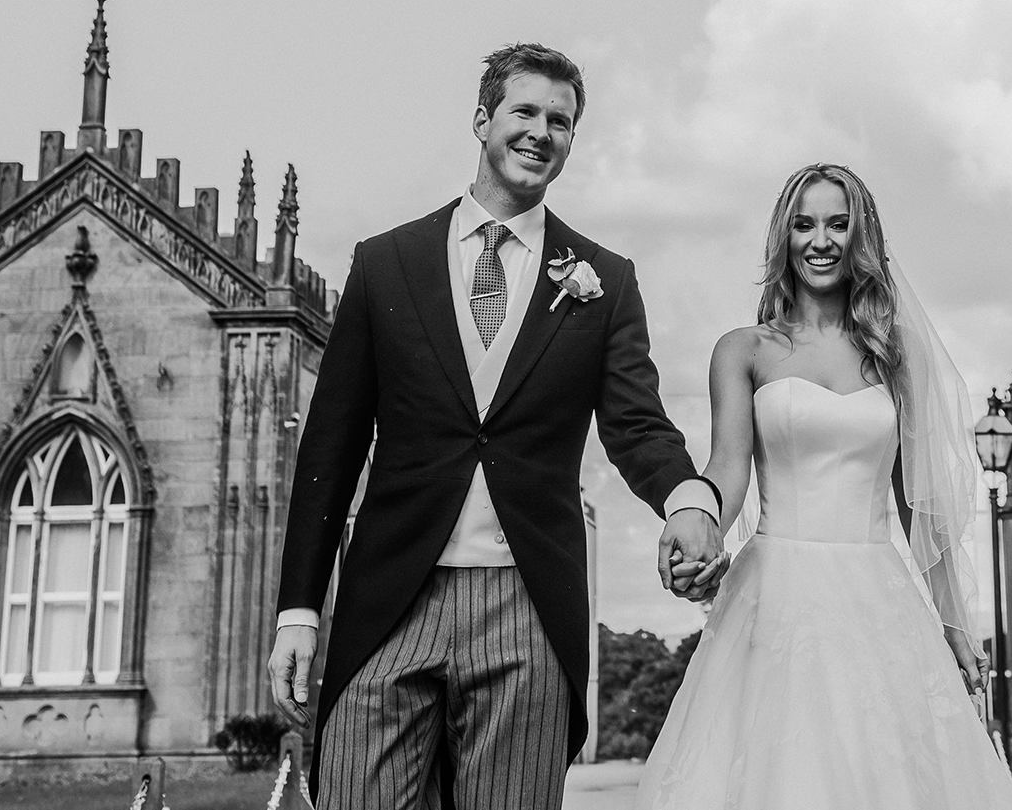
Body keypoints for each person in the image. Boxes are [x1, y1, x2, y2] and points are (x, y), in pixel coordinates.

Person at [267, 43, 729, 810]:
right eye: (526, 111)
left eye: (562, 120)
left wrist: (688, 498)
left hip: (527, 609)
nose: (542, 131)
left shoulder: (604, 281)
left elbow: (636, 422)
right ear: (482, 119)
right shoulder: (386, 264)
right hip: (391, 602)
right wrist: (299, 608)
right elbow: (330, 448)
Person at [635, 163, 1012, 809]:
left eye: (838, 224)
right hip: (775, 592)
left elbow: (918, 502)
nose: (821, 239)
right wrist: (699, 525)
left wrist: (955, 621)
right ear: (783, 237)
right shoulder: (743, 350)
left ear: (859, 236)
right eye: (804, 223)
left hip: (879, 599)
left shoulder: (896, 352)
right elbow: (728, 469)